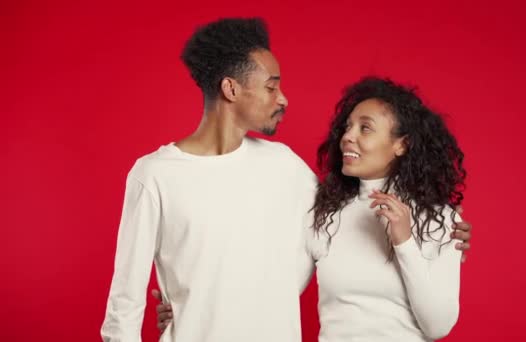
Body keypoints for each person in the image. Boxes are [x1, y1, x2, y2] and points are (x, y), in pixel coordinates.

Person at [101, 16, 472, 341]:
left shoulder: (284, 166)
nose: (283, 99)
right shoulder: (155, 175)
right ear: (231, 89)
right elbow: (125, 306)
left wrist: (438, 230)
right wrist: (189, 302)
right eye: (271, 86)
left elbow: (324, 239)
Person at [156, 77, 471, 342]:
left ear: (401, 144)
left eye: (365, 128)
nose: (347, 137)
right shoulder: (325, 215)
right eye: (347, 127)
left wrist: (404, 242)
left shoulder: (441, 219)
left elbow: (438, 325)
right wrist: (191, 307)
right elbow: (273, 291)